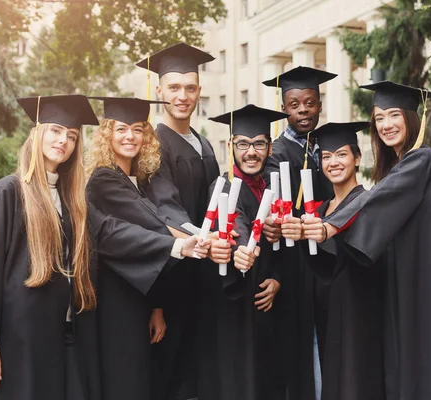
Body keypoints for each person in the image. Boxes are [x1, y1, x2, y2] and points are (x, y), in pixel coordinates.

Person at [0, 94, 209, 400]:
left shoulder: (71, 200)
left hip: (63, 332)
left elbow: (109, 231)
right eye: (54, 131)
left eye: (71, 136)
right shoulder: (9, 191)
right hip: (18, 336)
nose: (63, 141)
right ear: (36, 133)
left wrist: (176, 247)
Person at [319, 81, 431, 400]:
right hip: (415, 286)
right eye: (379, 117)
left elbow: (375, 199)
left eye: (394, 115)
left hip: (430, 290)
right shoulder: (402, 167)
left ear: (413, 117)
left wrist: (330, 226)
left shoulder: (423, 160)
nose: (386, 125)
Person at [86, 97, 204, 400]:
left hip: (140, 297)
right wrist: (194, 242)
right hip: (116, 299)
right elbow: (150, 226)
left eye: (137, 130)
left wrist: (157, 307)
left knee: (145, 377)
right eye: (121, 129)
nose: (130, 137)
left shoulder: (139, 180)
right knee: (127, 377)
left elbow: (160, 222)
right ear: (107, 134)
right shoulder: (103, 181)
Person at [136, 43, 231, 400]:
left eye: (190, 88)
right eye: (173, 88)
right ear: (158, 91)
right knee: (171, 370)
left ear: (199, 91)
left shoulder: (205, 144)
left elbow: (219, 201)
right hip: (172, 275)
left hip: (204, 276)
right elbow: (165, 207)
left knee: (201, 368)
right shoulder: (154, 145)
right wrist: (201, 239)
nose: (182, 95)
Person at [282, 122, 385, 400]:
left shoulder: (369, 202)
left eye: (341, 154)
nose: (333, 162)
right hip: (319, 314)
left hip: (356, 314)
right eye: (326, 157)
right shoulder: (322, 209)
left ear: (357, 158)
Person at [261, 66, 336, 400]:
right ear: (283, 109)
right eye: (294, 104)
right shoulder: (277, 155)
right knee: (302, 347)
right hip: (296, 266)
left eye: (309, 102)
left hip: (327, 261)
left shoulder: (325, 148)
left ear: (319, 105)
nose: (303, 110)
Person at [208, 104, 288, 400]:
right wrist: (241, 251)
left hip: (268, 307)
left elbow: (284, 248)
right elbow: (234, 226)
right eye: (243, 144)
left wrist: (278, 278)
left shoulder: (275, 187)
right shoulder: (225, 188)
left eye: (259, 144)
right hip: (236, 309)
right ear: (231, 147)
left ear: (269, 146)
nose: (251, 152)